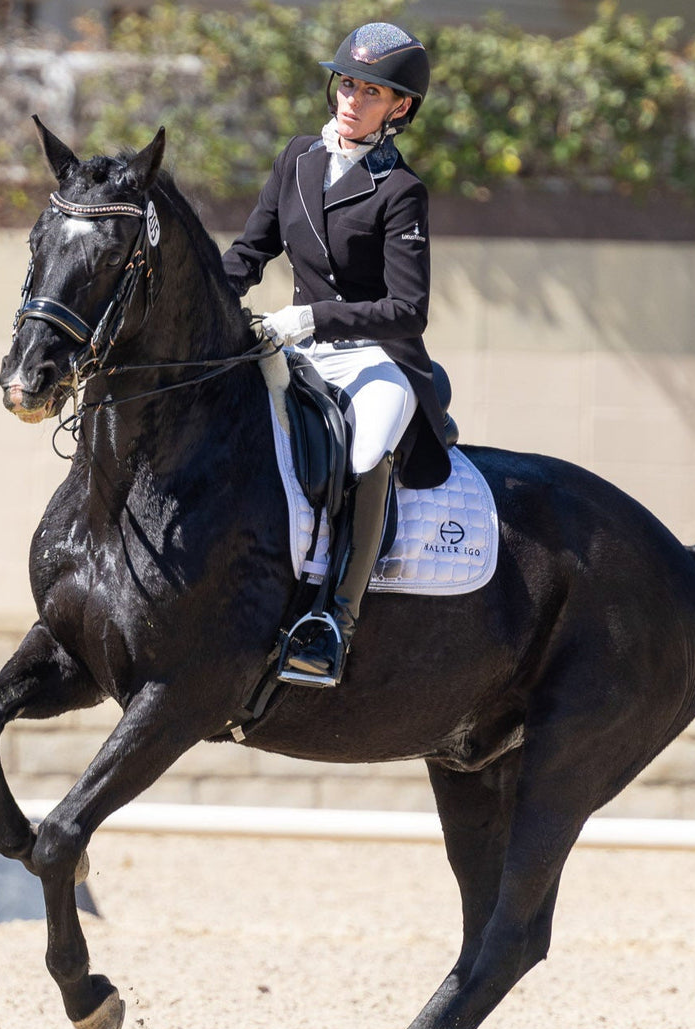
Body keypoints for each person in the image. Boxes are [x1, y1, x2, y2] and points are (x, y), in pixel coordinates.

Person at [222, 22, 454, 683]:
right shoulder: (297, 157)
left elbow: (409, 309)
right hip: (303, 347)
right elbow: (250, 252)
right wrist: (208, 295)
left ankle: (333, 624)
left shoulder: (400, 190)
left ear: (400, 107)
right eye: (346, 83)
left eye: (372, 91)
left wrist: (310, 317)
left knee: (364, 453)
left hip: (377, 356)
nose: (351, 99)